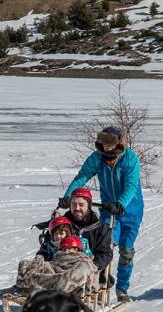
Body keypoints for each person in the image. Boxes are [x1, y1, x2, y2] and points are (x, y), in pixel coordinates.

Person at [60, 126, 144, 302]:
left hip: (130, 211)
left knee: (126, 250)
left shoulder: (130, 159)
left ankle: (122, 289)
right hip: (108, 209)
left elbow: (131, 185)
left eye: (110, 144)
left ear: (118, 143)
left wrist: (121, 203)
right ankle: (97, 284)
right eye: (103, 144)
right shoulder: (97, 158)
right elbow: (82, 176)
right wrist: (69, 195)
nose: (106, 148)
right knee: (103, 247)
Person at [61, 187, 114, 285]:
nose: (77, 208)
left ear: (88, 206)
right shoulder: (62, 224)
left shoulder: (99, 227)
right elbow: (48, 246)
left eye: (81, 205)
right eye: (73, 204)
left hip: (87, 268)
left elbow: (105, 254)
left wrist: (93, 266)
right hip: (61, 266)